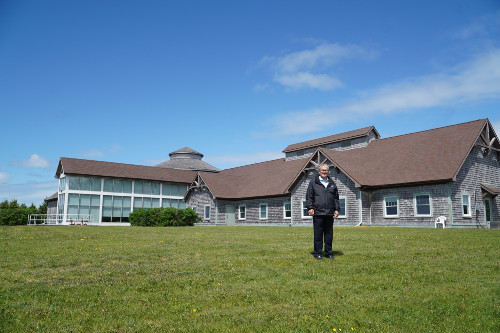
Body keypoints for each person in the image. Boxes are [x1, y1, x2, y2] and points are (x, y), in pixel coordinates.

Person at [305, 164, 340, 260]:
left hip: (329, 213)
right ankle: (317, 253)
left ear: (328, 171)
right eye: (323, 170)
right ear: (319, 171)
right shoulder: (313, 182)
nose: (324, 172)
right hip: (318, 213)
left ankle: (329, 253)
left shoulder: (332, 183)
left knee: (329, 234)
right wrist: (310, 208)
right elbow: (309, 196)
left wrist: (337, 209)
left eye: (326, 170)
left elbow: (336, 198)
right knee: (318, 234)